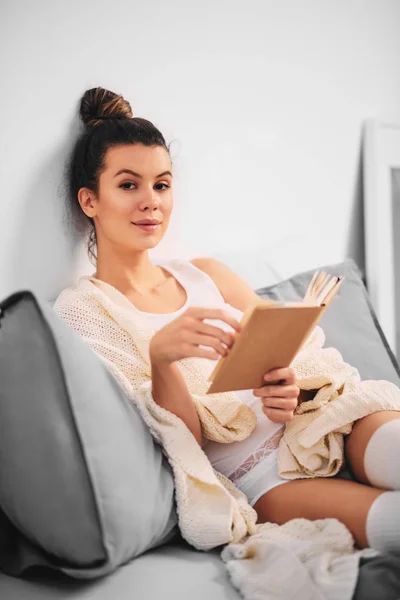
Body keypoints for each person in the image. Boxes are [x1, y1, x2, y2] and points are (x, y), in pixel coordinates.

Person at [54, 86, 400, 554]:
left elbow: (303, 356)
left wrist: (291, 388)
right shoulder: (84, 311)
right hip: (262, 476)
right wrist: (162, 360)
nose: (151, 201)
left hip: (327, 422)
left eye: (162, 184)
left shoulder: (208, 274)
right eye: (128, 184)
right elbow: (183, 446)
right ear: (90, 201)